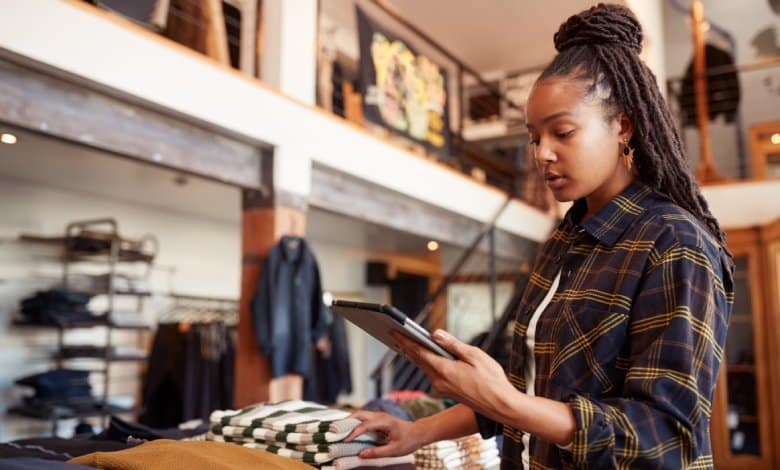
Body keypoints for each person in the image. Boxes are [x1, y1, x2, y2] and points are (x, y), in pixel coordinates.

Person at [345, 4, 734, 469]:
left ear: (623, 126)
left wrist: (504, 402)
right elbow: (532, 392)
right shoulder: (565, 241)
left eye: (562, 132)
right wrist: (418, 431)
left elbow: (665, 437)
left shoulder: (675, 243)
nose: (542, 153)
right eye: (533, 137)